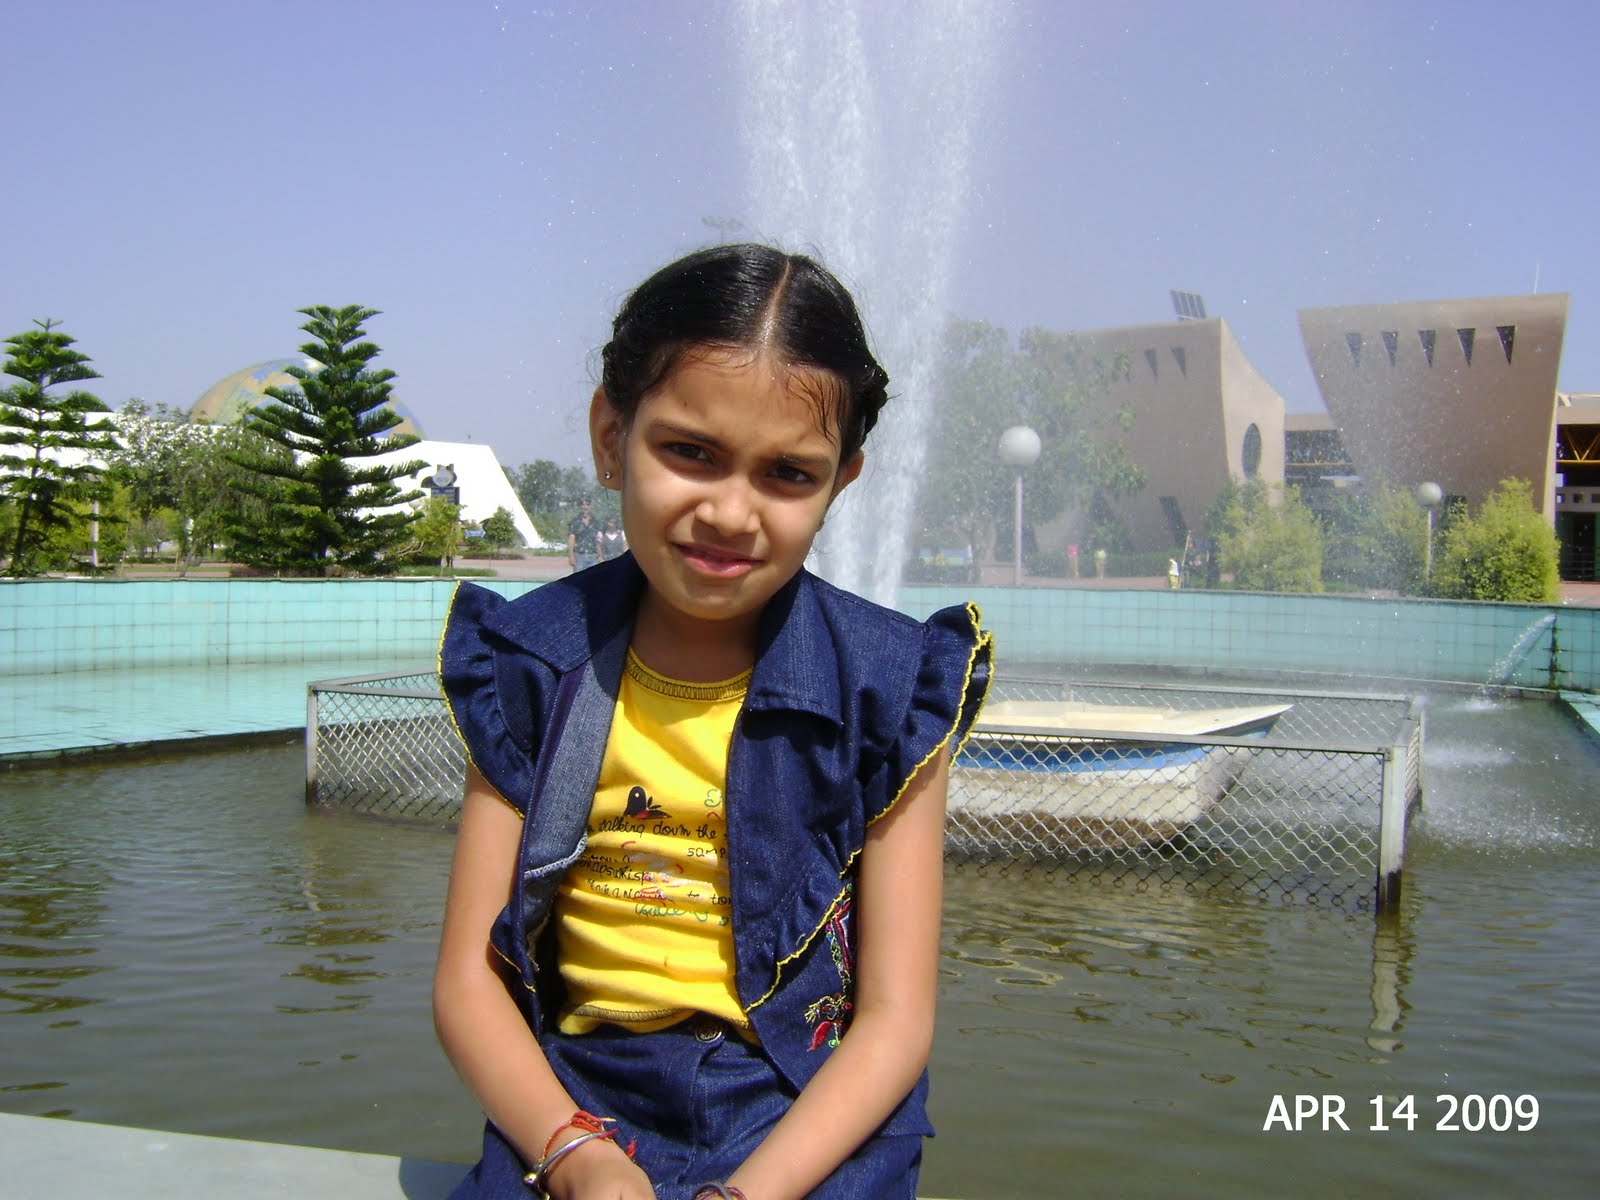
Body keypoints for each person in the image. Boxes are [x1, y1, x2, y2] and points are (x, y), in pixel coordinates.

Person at [434, 243, 992, 1200]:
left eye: (787, 474)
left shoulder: (893, 690)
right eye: (688, 452)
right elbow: (466, 982)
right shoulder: (531, 661)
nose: (731, 512)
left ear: (841, 483)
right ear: (612, 436)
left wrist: (749, 1194)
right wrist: (574, 1155)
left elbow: (895, 1020)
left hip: (806, 1113)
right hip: (578, 1101)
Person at [568, 499, 599, 573]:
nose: (585, 507)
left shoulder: (596, 522)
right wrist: (571, 556)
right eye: (583, 505)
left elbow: (599, 539)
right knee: (578, 580)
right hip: (579, 556)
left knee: (594, 580)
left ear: (591, 506)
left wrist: (600, 556)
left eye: (587, 504)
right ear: (580, 506)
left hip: (593, 555)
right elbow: (571, 539)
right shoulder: (575, 522)